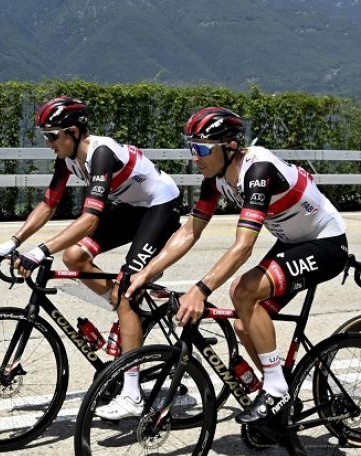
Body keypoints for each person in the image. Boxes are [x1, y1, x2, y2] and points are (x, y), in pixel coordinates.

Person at [125, 106, 348, 424]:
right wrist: (145, 272)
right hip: (292, 241)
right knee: (245, 324)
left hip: (326, 243)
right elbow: (189, 231)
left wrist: (200, 290)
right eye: (192, 148)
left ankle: (276, 391)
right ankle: (280, 395)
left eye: (202, 149)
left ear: (230, 147)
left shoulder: (258, 171)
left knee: (242, 291)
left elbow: (243, 246)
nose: (195, 157)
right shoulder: (216, 178)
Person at [0, 96, 182, 419]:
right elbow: (48, 205)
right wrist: (13, 242)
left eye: (52, 136)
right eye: (44, 136)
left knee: (127, 293)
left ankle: (132, 394)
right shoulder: (67, 158)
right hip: (133, 208)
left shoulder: (100, 154)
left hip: (160, 206)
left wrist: (39, 251)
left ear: (74, 132)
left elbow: (90, 219)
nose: (48, 143)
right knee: (74, 256)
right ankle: (128, 311)